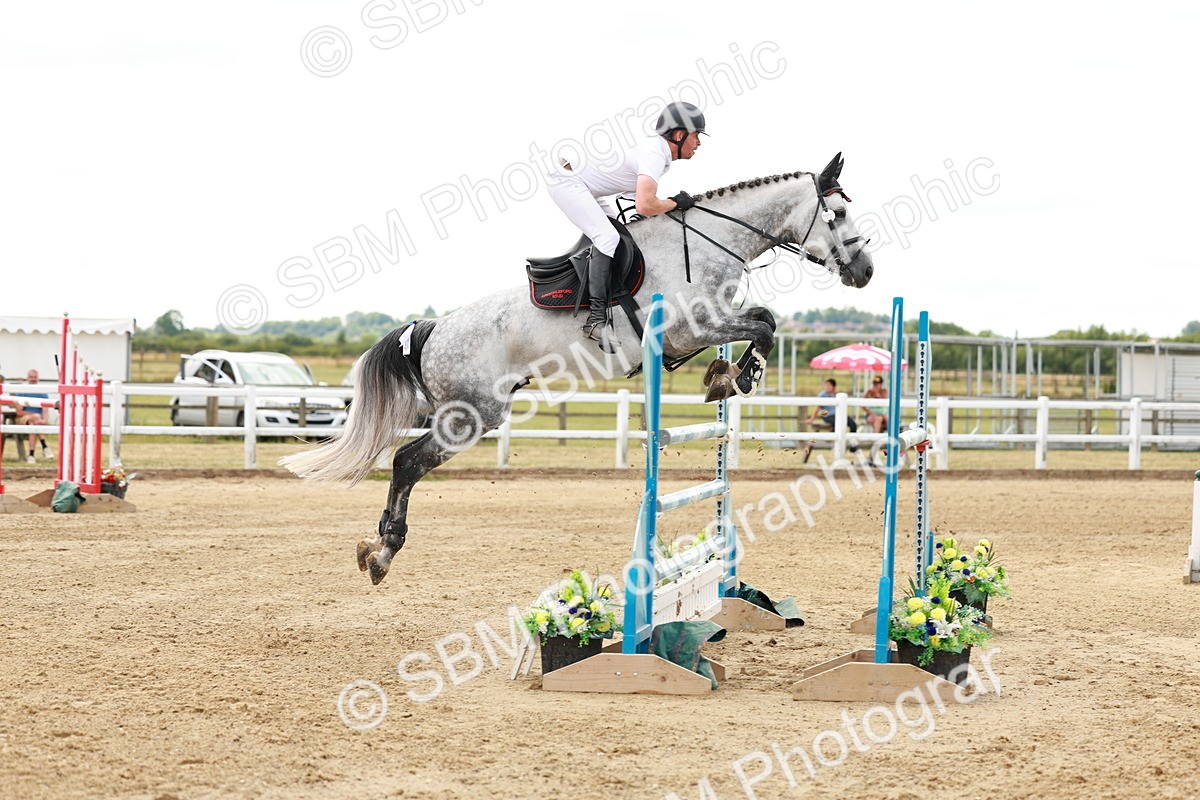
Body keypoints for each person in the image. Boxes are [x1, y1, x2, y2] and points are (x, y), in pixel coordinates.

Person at [546, 101, 706, 351]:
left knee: (622, 238)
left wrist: (669, 209)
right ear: (678, 135)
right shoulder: (655, 154)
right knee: (608, 239)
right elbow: (645, 205)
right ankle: (597, 320)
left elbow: (638, 207)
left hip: (586, 187)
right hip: (568, 183)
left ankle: (612, 302)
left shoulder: (660, 157)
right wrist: (674, 203)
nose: (699, 143)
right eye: (696, 136)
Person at [13, 369, 53, 464]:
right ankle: (44, 446)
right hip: (24, 418)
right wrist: (35, 416)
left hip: (35, 421)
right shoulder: (22, 391)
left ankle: (31, 455)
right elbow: (19, 412)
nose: (33, 379)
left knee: (33, 425)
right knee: (35, 419)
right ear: (27, 378)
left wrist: (44, 420)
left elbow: (45, 409)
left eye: (35, 377)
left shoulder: (42, 393)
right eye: (31, 377)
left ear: (38, 379)